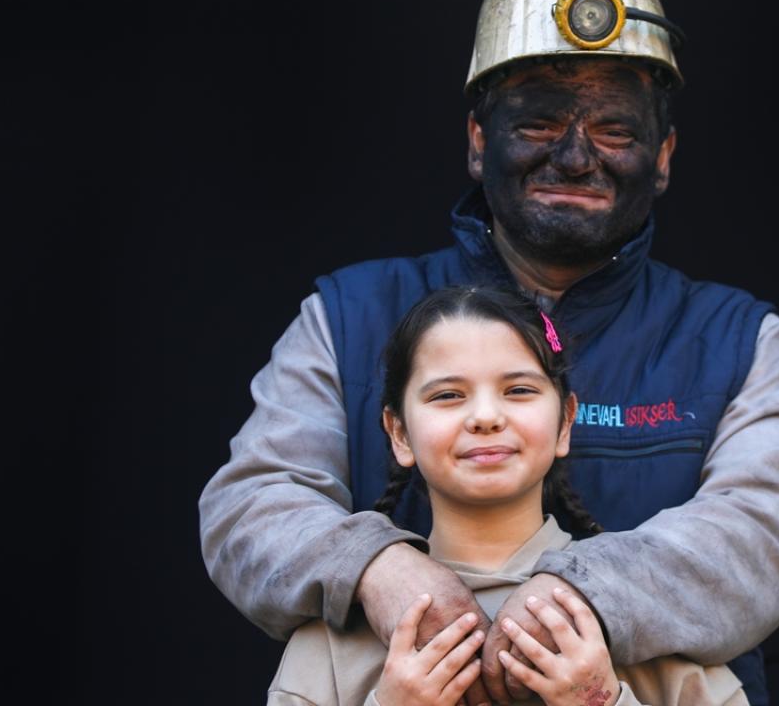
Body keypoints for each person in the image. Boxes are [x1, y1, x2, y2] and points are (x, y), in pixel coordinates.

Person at [199, 0, 779, 703]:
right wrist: (379, 570)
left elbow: (764, 540)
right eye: (537, 123)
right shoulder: (347, 319)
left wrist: (579, 596)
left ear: (664, 157)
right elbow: (250, 507)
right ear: (478, 141)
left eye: (617, 132)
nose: (573, 156)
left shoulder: (738, 342)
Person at [267, 286, 747, 706]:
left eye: (518, 389)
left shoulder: (650, 623)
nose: (485, 416)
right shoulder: (328, 648)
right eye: (447, 396)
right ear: (399, 434)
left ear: (564, 422)